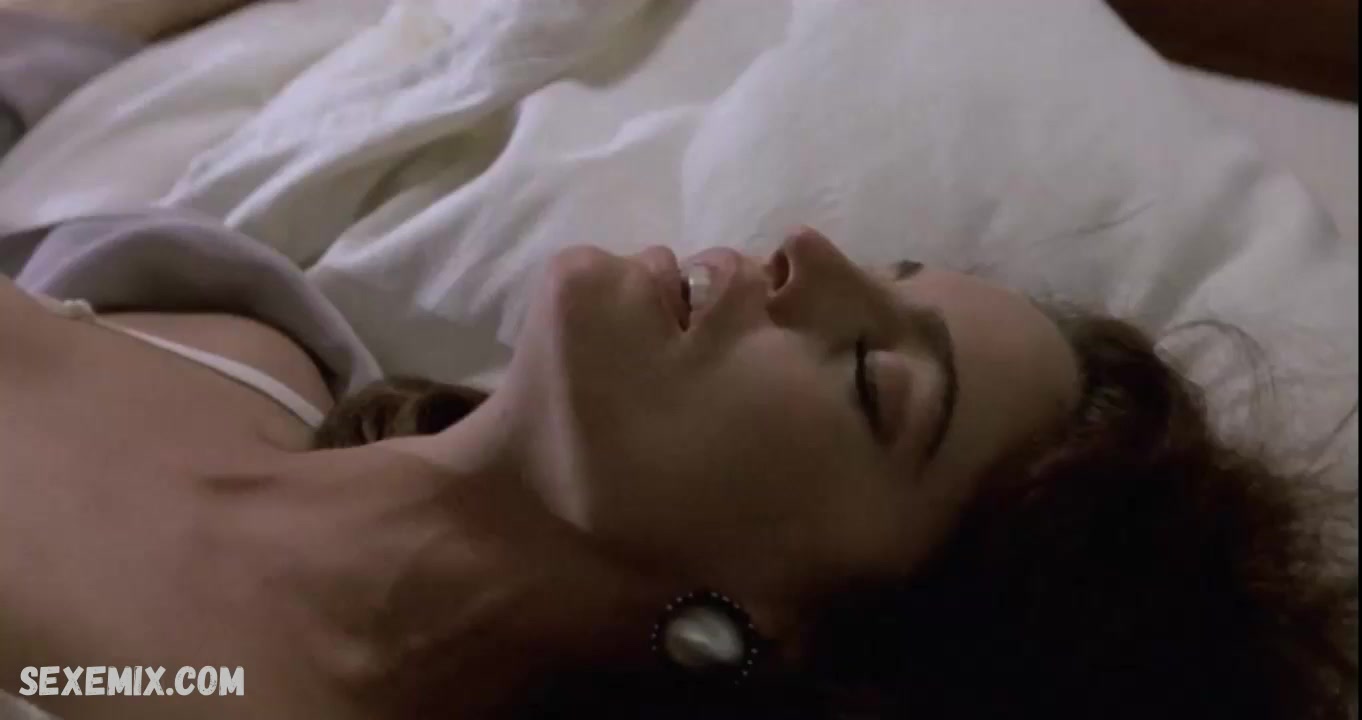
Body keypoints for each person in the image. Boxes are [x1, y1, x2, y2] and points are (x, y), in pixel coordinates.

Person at [0, 4, 1355, 720]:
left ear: (768, 641)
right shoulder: (234, 334)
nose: (804, 257)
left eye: (873, 382)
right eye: (881, 276)